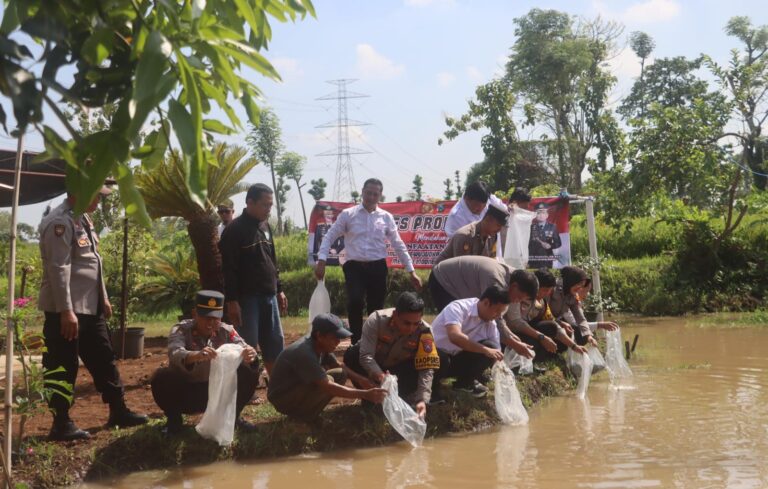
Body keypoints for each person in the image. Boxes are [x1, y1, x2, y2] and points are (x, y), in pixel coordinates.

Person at [38, 188, 147, 441]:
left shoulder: (83, 219)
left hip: (90, 307)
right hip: (65, 311)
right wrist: (66, 310)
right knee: (62, 366)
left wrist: (104, 297)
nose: (99, 200)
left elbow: (93, 262)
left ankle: (118, 411)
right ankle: (61, 423)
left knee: (104, 359)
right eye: (96, 194)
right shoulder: (59, 222)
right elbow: (59, 268)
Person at [314, 179, 422, 343]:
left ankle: (374, 341)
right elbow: (329, 236)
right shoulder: (348, 214)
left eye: (375, 194)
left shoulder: (386, 217)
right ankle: (356, 342)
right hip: (353, 266)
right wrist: (321, 261)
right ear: (362, 192)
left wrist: (411, 271)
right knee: (355, 301)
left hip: (377, 266)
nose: (371, 197)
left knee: (376, 307)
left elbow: (398, 244)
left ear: (380, 196)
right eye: (368, 193)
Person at [150, 290, 260, 434]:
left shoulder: (226, 330)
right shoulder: (181, 330)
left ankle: (233, 419)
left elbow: (242, 345)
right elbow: (174, 352)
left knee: (250, 371)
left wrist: (250, 355)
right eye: (206, 318)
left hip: (218, 391)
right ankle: (174, 422)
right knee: (161, 377)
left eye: (215, 319)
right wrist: (196, 355)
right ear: (195, 314)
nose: (211, 323)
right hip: (189, 391)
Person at [267, 313, 388, 422]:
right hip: (282, 398)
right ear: (320, 336)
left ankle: (309, 415)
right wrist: (365, 394)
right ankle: (300, 419)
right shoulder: (305, 353)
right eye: (334, 338)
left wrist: (362, 380)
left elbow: (340, 366)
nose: (338, 342)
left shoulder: (321, 346)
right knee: (328, 380)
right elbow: (328, 386)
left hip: (296, 389)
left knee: (341, 373)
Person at [219, 183, 287, 374]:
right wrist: (232, 301)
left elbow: (272, 260)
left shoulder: (265, 226)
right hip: (247, 299)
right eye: (265, 205)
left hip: (270, 296)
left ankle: (277, 387)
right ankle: (247, 391)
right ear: (250, 202)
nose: (269, 209)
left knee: (275, 343)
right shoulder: (234, 230)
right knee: (246, 346)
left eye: (270, 205)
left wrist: (279, 289)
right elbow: (228, 269)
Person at [343, 292, 439, 418]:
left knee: (439, 358)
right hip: (372, 369)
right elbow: (366, 356)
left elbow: (426, 368)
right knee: (352, 355)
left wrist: (422, 399)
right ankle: (370, 395)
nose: (411, 328)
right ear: (395, 315)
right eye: (406, 323)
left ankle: (402, 395)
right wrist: (381, 376)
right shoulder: (376, 320)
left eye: (416, 323)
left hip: (398, 370)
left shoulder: (425, 331)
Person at [427, 255, 537, 358]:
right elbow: (496, 316)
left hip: (461, 286)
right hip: (443, 281)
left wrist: (511, 337)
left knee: (485, 339)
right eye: (518, 298)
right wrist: (513, 343)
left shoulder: (515, 278)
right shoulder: (495, 281)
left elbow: (497, 317)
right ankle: (444, 357)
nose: (515, 302)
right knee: (455, 328)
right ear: (514, 286)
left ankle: (461, 362)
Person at [430, 285, 513, 399]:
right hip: (434, 359)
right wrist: (484, 350)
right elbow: (454, 336)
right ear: (486, 302)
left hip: (456, 360)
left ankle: (464, 383)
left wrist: (503, 374)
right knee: (442, 357)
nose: (498, 316)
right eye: (497, 311)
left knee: (491, 347)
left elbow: (496, 353)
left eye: (501, 313)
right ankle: (431, 390)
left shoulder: (490, 324)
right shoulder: (458, 307)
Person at [504, 269, 588, 361]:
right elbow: (516, 323)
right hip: (510, 333)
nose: (547, 294)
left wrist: (573, 346)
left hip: (529, 331)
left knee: (552, 328)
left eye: (549, 291)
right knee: (533, 343)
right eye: (544, 290)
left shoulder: (542, 303)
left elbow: (553, 322)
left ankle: (542, 354)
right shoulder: (519, 296)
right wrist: (541, 337)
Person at [549, 266, 619, 347]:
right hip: (545, 321)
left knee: (580, 334)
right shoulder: (552, 289)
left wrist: (588, 336)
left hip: (557, 322)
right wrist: (560, 323)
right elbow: (544, 313)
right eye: (578, 285)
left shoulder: (573, 296)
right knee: (555, 327)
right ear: (571, 281)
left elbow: (580, 318)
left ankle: (556, 351)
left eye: (582, 286)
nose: (579, 289)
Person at [433, 203, 509, 265]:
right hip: (442, 279)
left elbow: (490, 263)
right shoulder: (465, 236)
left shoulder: (492, 237)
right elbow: (461, 270)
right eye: (498, 225)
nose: (499, 230)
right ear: (488, 219)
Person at [528, 202, 562, 269]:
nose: (541, 215)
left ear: (547, 215)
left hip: (547, 259)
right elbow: (526, 244)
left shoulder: (552, 227)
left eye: (543, 213)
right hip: (533, 259)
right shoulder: (530, 227)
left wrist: (550, 246)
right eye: (538, 213)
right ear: (535, 215)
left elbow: (558, 243)